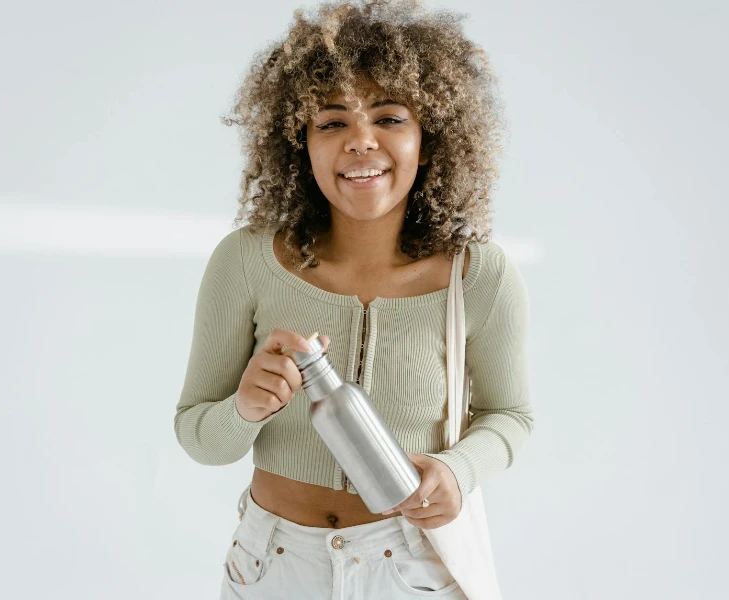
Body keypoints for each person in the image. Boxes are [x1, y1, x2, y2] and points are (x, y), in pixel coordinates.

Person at [173, 1, 533, 598]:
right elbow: (196, 435)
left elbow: (511, 416)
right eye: (332, 122)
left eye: (390, 117)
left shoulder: (479, 275)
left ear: (430, 136)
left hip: (411, 568)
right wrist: (245, 409)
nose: (361, 142)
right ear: (299, 145)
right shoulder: (245, 261)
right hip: (272, 566)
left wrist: (457, 470)